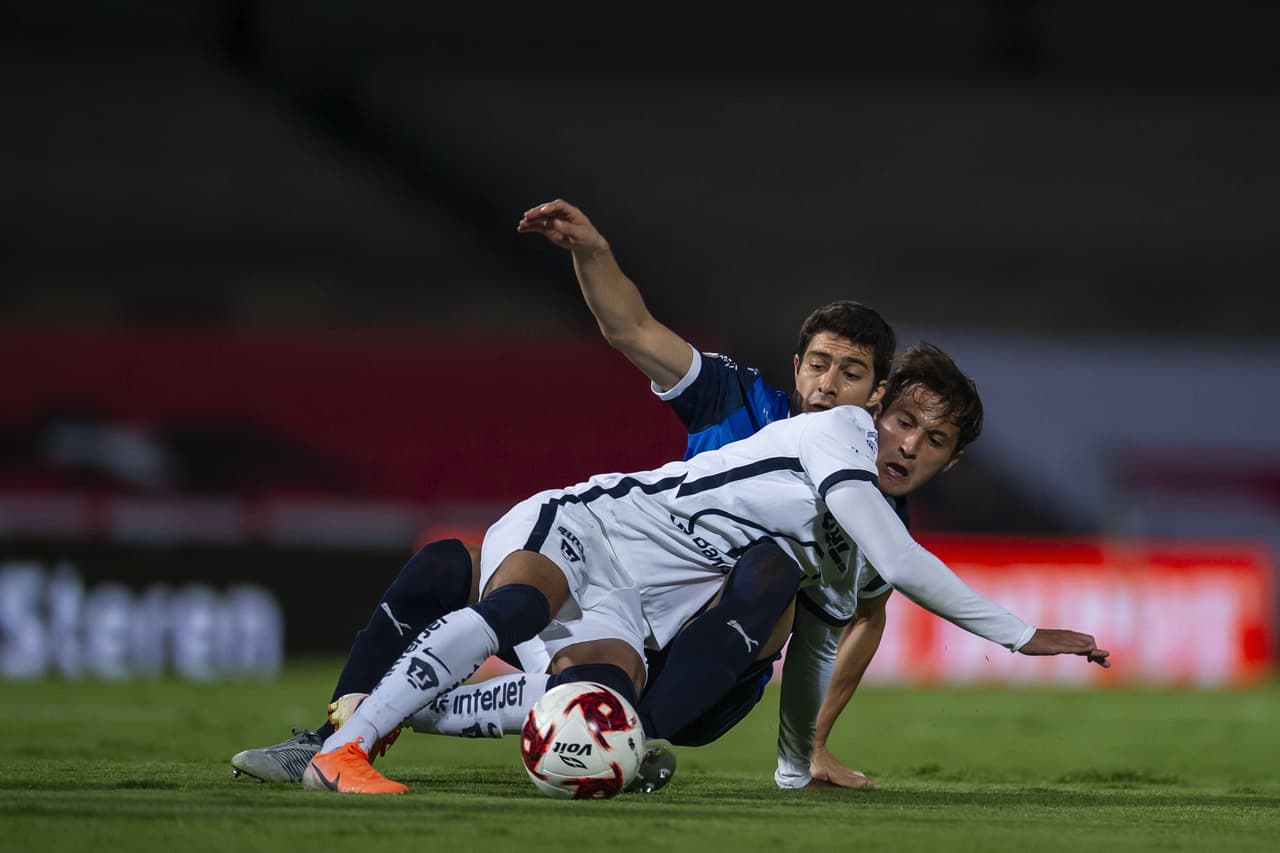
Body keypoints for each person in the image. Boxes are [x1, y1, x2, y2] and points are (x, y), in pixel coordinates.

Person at [230, 198, 897, 784]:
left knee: (772, 568)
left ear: (877, 391)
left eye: (851, 372)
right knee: (444, 566)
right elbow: (631, 329)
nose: (827, 385)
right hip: (615, 601)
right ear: (796, 365)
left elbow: (865, 611)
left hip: (699, 668)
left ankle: (621, 724)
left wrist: (813, 744)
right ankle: (339, 732)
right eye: (818, 364)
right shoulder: (742, 399)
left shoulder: (859, 486)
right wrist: (593, 252)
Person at [299, 357, 1108, 794]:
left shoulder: (861, 534)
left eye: (932, 441)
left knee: (598, 714)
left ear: (952, 460)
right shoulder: (839, 435)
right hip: (591, 522)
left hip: (630, 602)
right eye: (904, 419)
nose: (907, 445)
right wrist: (1022, 633)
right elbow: (900, 563)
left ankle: (389, 705)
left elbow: (819, 645)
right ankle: (346, 751)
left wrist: (798, 762)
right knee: (514, 605)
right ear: (881, 405)